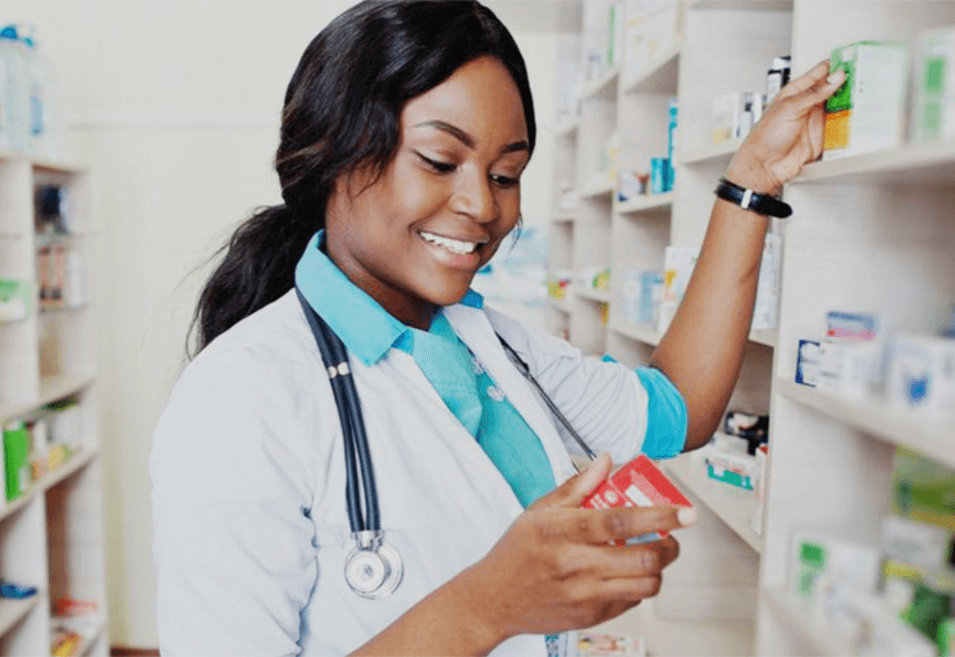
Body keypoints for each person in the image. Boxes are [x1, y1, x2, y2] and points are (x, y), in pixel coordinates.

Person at [150, 1, 845, 655]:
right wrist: (489, 604)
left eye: (507, 173)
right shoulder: (240, 396)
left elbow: (679, 407)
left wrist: (751, 182)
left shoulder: (492, 343)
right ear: (333, 151)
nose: (482, 204)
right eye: (439, 161)